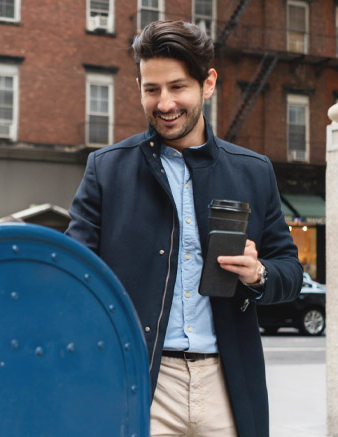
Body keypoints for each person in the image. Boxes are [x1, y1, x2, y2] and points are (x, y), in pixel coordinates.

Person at [66, 20, 303, 437]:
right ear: (138, 86)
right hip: (142, 382)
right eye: (152, 89)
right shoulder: (106, 170)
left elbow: (290, 271)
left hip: (227, 385)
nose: (165, 103)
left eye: (178, 87)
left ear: (207, 83)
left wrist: (259, 273)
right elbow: (74, 277)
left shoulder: (254, 171)